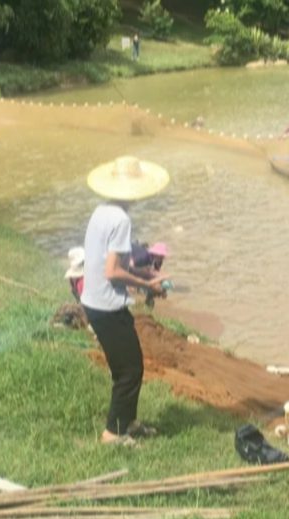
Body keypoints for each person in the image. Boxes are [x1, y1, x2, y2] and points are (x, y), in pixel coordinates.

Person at [81, 156, 170, 447]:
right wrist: (146, 285)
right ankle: (113, 434)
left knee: (127, 367)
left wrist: (139, 271)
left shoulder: (102, 211)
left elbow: (110, 262)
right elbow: (112, 271)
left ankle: (129, 422)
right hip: (107, 306)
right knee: (131, 371)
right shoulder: (121, 219)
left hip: (94, 301)